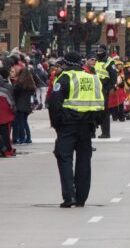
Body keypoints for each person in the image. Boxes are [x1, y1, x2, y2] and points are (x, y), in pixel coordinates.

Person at [49, 51, 104, 208]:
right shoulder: (93, 78)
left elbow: (54, 103)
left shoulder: (65, 78)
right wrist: (95, 123)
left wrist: (56, 124)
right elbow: (101, 103)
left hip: (68, 124)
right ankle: (81, 197)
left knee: (64, 157)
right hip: (87, 125)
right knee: (84, 160)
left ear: (66, 64)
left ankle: (69, 196)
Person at [11, 61, 37, 145]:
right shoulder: (31, 84)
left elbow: (15, 92)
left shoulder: (20, 84)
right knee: (25, 122)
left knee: (21, 122)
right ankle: (28, 137)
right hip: (27, 105)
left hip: (20, 105)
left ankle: (22, 138)